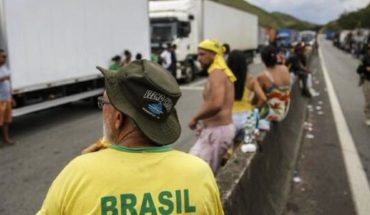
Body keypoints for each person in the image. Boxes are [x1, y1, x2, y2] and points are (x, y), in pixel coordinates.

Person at [37, 60, 224, 214]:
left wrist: (86, 165)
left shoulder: (76, 175)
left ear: (118, 118)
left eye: (104, 103)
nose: (102, 109)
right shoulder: (199, 174)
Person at [189, 39, 236, 174]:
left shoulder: (217, 73)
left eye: (202, 54)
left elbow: (216, 104)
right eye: (198, 55)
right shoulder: (217, 72)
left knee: (202, 174)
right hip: (212, 131)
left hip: (217, 132)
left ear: (213, 54)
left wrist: (195, 118)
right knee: (194, 168)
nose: (198, 58)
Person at [227, 50, 267, 142]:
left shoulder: (225, 79)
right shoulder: (250, 79)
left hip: (229, 119)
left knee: (230, 149)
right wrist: (254, 109)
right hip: (247, 117)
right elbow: (263, 98)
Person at [257, 45, 291, 122]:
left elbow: (259, 99)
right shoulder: (285, 69)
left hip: (273, 114)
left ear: (262, 60)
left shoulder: (262, 76)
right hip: (285, 109)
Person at [0, 50, 14, 145]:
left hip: (7, 98)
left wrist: (11, 97)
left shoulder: (5, 68)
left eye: (5, 57)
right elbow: (5, 78)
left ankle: (6, 140)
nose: (5, 59)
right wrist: (3, 78)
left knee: (6, 121)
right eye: (3, 57)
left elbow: (8, 83)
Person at [357, 44, 370, 126]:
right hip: (367, 80)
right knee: (368, 100)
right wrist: (366, 69)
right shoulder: (364, 58)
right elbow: (358, 70)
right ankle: (368, 117)